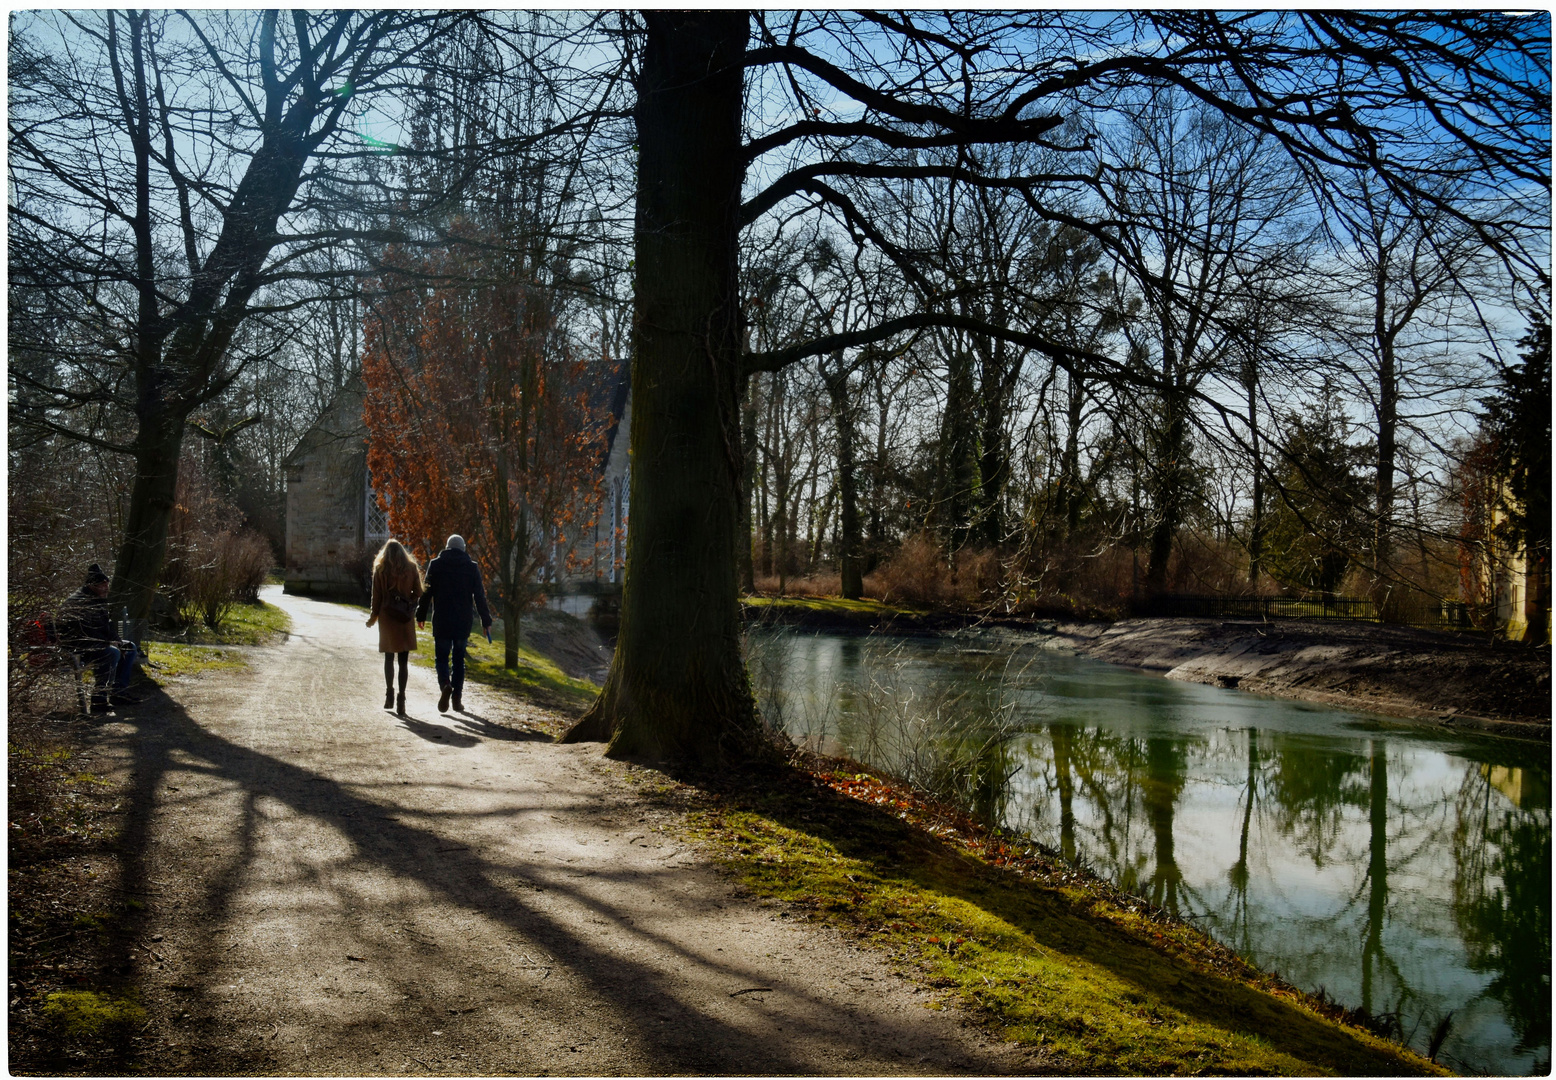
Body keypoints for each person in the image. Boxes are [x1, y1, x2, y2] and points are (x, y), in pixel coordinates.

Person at [415, 534, 491, 714]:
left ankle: (445, 685)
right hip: (462, 622)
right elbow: (479, 596)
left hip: (442, 620)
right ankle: (457, 698)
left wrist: (420, 615)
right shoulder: (472, 568)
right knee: (458, 661)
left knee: (441, 658)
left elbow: (426, 593)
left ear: (447, 547)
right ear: (463, 549)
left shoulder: (436, 564)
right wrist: (485, 621)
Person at [56, 563, 137, 711]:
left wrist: (117, 641)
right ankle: (99, 699)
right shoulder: (79, 602)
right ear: (92, 585)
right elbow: (85, 632)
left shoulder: (98, 600)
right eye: (102, 584)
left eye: (107, 584)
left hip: (98, 643)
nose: (106, 587)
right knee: (112, 653)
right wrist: (109, 643)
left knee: (130, 647)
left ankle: (118, 692)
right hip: (79, 647)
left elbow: (107, 627)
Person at [365, 539, 423, 716]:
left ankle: (389, 694)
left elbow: (376, 597)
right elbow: (419, 592)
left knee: (389, 658)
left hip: (387, 617)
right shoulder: (411, 569)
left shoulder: (380, 570)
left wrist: (373, 617)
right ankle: (401, 699)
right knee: (403, 661)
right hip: (404, 617)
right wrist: (408, 600)